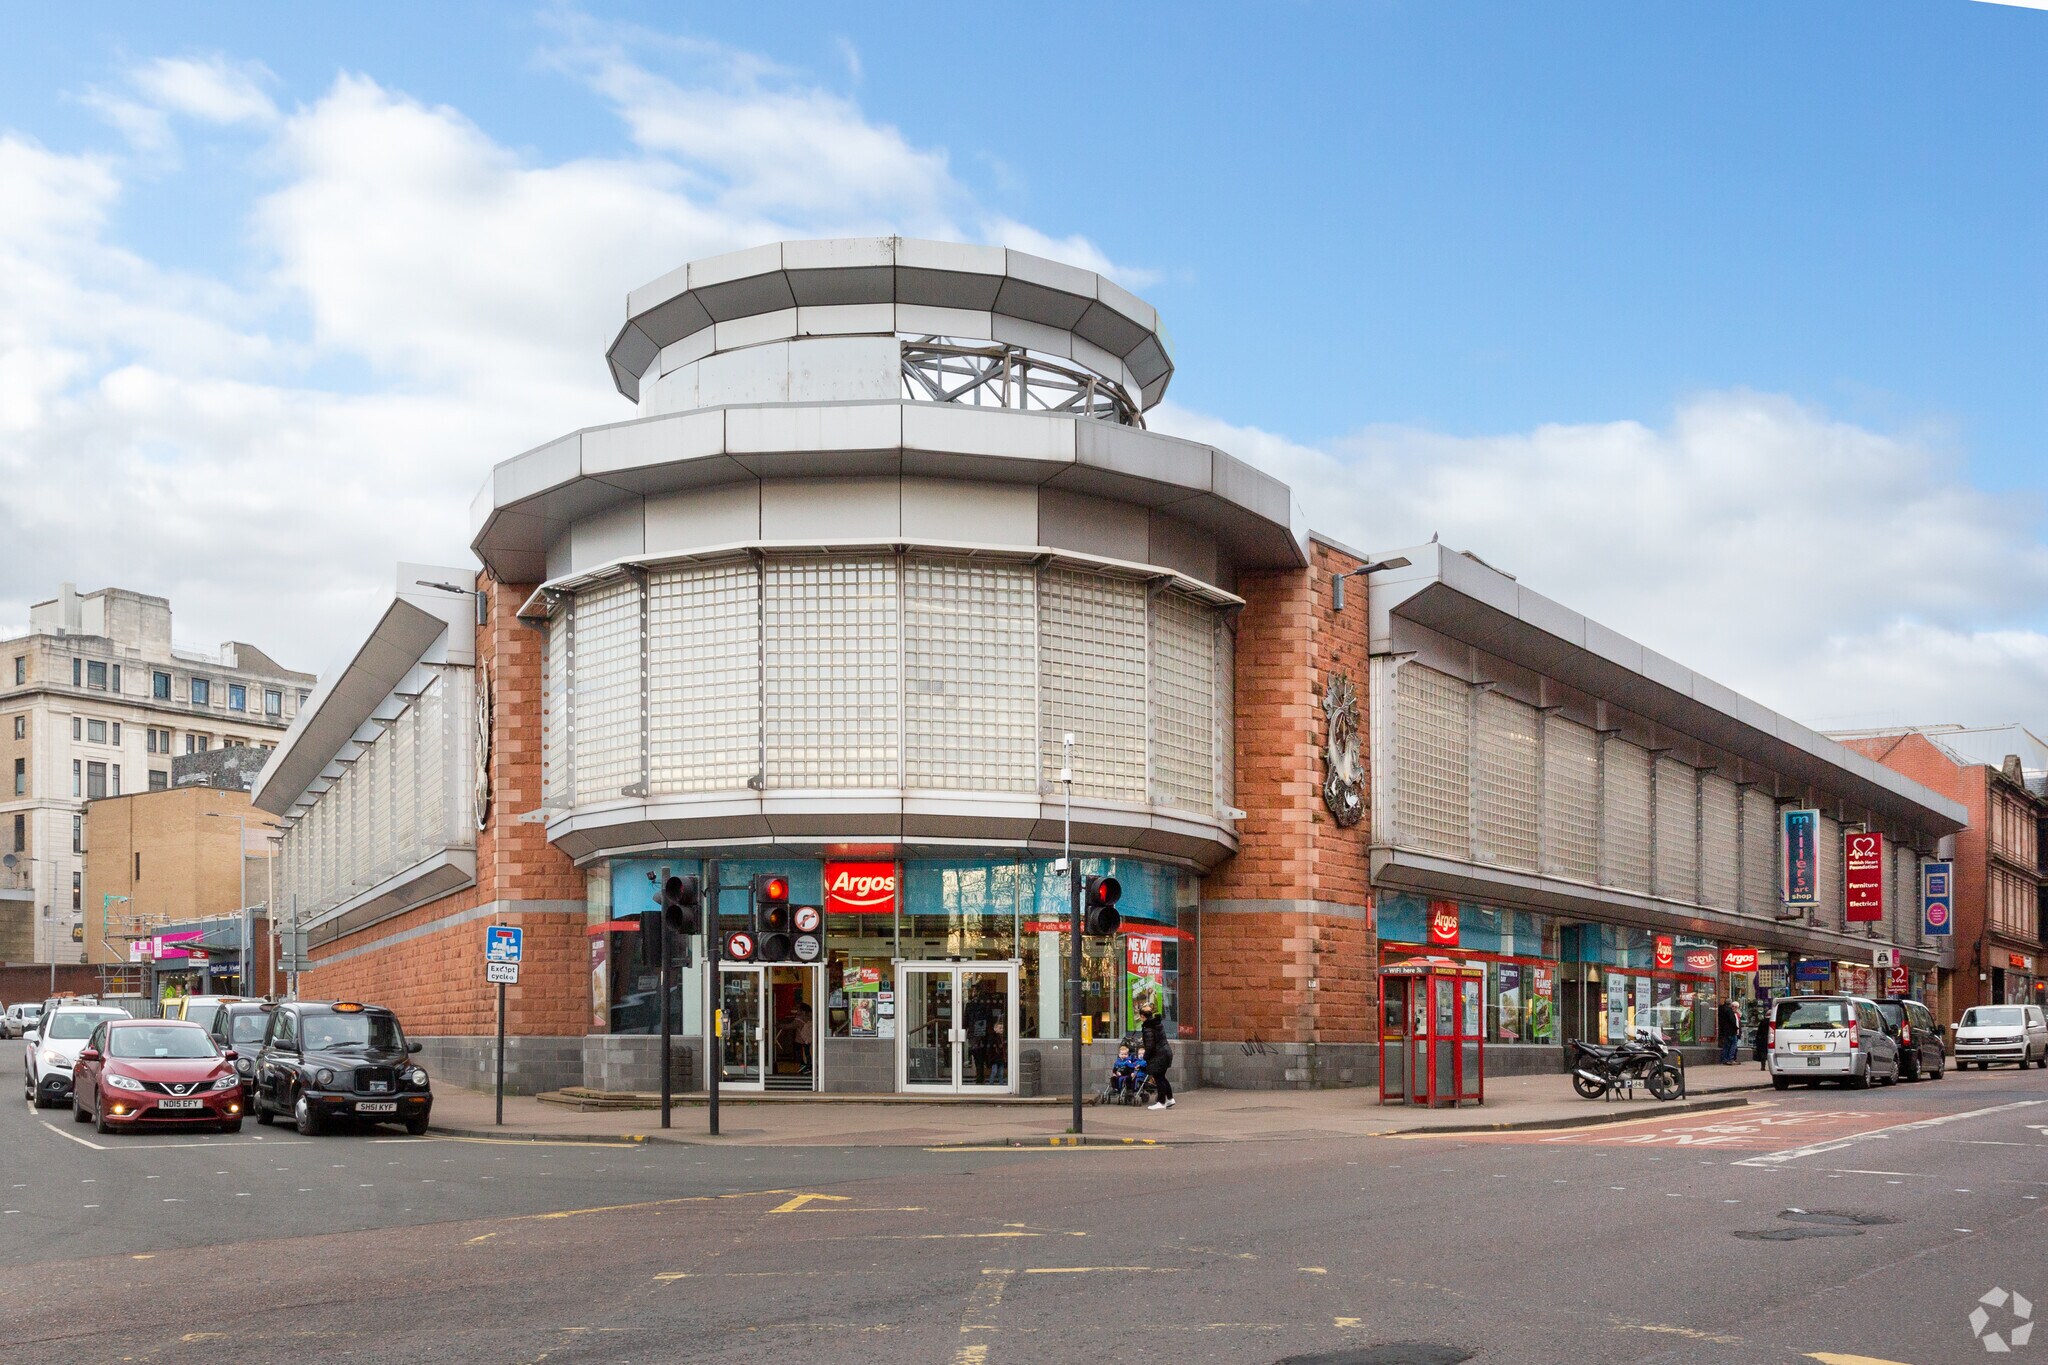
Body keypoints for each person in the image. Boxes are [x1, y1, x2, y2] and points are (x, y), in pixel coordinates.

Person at [1139, 997, 1174, 1110]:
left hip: (1158, 1055)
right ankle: (1170, 1098)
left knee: (1158, 1078)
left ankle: (1161, 1102)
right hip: (1165, 1052)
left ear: (1143, 1016)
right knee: (1162, 1077)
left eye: (1140, 1016)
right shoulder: (1156, 1024)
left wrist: (1145, 1057)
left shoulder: (1148, 1028)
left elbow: (1150, 1046)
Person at [1716, 997, 1740, 1065]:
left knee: (1726, 1045)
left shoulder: (1721, 1009)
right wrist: (1736, 1028)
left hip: (1724, 1030)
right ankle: (1730, 1058)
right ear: (1730, 1004)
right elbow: (1732, 1020)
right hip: (1731, 1031)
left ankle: (1724, 1059)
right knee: (1733, 1044)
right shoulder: (1729, 1011)